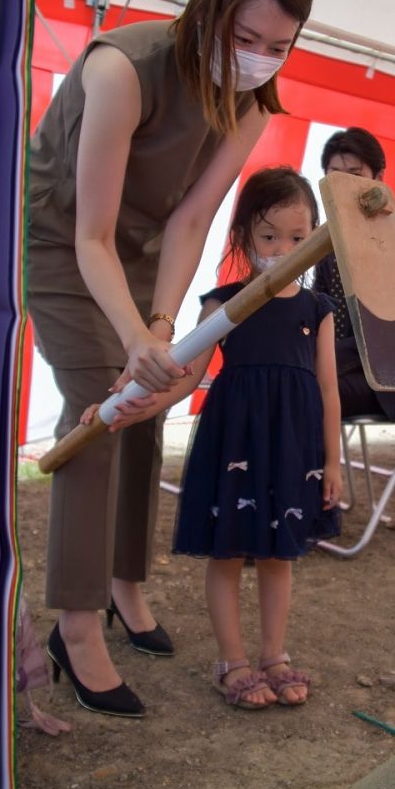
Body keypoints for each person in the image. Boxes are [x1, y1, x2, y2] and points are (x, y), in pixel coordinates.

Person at [28, 0, 314, 716]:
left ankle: (125, 585)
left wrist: (159, 326)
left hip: (149, 244)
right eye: (244, 37)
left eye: (278, 45)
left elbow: (191, 220)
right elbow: (89, 234)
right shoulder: (123, 68)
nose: (258, 57)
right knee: (101, 403)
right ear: (207, 12)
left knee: (149, 404)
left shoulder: (253, 102)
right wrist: (131, 341)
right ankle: (76, 623)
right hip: (65, 238)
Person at [82, 167, 341, 709]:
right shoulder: (222, 303)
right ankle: (233, 660)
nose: (283, 248)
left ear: (317, 236)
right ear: (245, 234)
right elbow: (182, 379)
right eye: (269, 236)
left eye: (298, 237)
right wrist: (122, 408)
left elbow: (329, 391)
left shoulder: (318, 311)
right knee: (227, 554)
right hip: (235, 443)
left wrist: (333, 462)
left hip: (292, 447)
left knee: (279, 558)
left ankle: (274, 655)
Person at [311, 128, 395, 487]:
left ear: (379, 179)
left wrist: (324, 355)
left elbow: (392, 333)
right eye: (335, 176)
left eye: (355, 176)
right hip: (341, 364)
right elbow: (322, 311)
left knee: (305, 393)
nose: (344, 185)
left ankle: (311, 499)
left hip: (390, 377)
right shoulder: (324, 239)